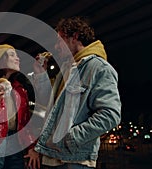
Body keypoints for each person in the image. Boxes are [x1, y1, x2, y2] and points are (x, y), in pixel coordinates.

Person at [33, 16, 122, 169]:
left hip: (74, 160)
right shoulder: (67, 69)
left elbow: (111, 115)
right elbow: (51, 106)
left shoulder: (99, 68)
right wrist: (41, 75)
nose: (56, 46)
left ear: (74, 37)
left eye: (59, 41)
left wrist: (71, 137)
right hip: (52, 156)